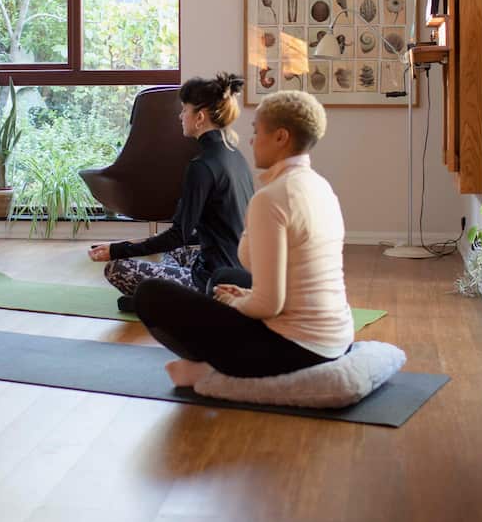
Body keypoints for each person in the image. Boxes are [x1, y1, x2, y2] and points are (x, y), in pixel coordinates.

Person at [134, 90, 354, 386]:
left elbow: (268, 306)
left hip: (300, 349)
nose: (251, 140)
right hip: (339, 338)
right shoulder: (320, 186)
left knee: (150, 294)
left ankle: (214, 370)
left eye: (256, 131)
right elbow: (293, 279)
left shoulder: (273, 199)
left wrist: (236, 303)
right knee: (226, 275)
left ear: (281, 137)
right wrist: (247, 296)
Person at [89, 73, 255, 311]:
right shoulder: (234, 155)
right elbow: (209, 232)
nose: (180, 116)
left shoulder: (202, 166)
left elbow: (179, 235)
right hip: (238, 271)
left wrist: (117, 249)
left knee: (115, 268)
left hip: (213, 283)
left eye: (184, 110)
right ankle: (161, 300)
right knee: (172, 254)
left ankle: (174, 304)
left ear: (199, 117)